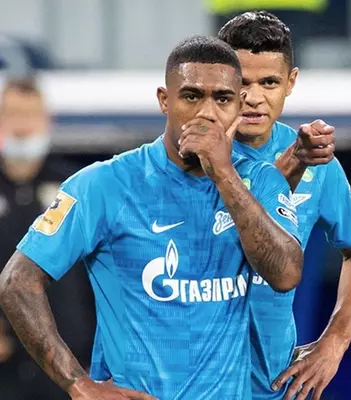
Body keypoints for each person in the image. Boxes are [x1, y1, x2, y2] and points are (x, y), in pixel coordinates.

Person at [0, 36, 304, 400]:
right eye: (191, 96)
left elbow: (285, 275)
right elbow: (17, 280)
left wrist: (224, 175)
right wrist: (78, 384)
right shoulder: (104, 185)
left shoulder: (262, 180)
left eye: (222, 99)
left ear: (239, 105)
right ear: (164, 100)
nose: (207, 113)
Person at [218, 11, 351, 400]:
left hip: (269, 387)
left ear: (290, 82)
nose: (253, 98)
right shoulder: (189, 159)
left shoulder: (317, 166)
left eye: (269, 82)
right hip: (189, 384)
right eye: (241, 83)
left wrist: (335, 341)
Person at [0, 77, 95, 400]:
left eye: (30, 114)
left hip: (71, 366)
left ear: (47, 121)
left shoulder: (75, 186)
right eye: (13, 114)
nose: (23, 126)